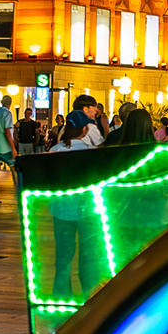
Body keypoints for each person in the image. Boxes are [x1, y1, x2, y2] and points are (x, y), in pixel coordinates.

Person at [48, 122, 101, 298]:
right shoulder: (91, 151)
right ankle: (89, 293)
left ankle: (61, 295)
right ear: (84, 130)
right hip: (87, 209)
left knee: (63, 255)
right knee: (88, 255)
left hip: (61, 209)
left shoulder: (55, 150)